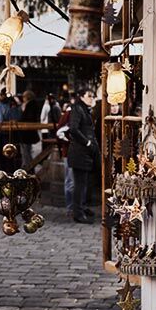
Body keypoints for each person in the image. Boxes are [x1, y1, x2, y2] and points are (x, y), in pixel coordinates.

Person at [67, 89, 99, 224]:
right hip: (80, 152)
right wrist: (87, 142)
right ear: (81, 97)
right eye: (89, 96)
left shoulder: (84, 109)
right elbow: (73, 129)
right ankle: (78, 213)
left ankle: (82, 207)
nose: (91, 98)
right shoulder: (77, 108)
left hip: (85, 152)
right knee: (79, 184)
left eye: (92, 96)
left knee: (84, 183)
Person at [0, 88, 22, 173]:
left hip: (9, 133)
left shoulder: (12, 106)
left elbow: (17, 117)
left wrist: (15, 106)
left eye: (3, 95)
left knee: (10, 153)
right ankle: (2, 171)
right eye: (1, 95)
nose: (1, 97)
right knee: (0, 154)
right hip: (0, 132)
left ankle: (10, 171)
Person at [56, 95, 75, 216]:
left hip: (77, 152)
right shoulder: (69, 114)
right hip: (69, 152)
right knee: (71, 180)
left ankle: (76, 206)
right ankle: (71, 207)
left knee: (75, 181)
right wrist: (70, 142)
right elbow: (59, 132)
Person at [19, 90, 41, 167]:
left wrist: (23, 109)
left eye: (24, 97)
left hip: (27, 132)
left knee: (26, 152)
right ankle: (27, 166)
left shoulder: (30, 105)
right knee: (25, 152)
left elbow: (28, 117)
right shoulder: (31, 105)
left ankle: (28, 167)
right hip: (26, 132)